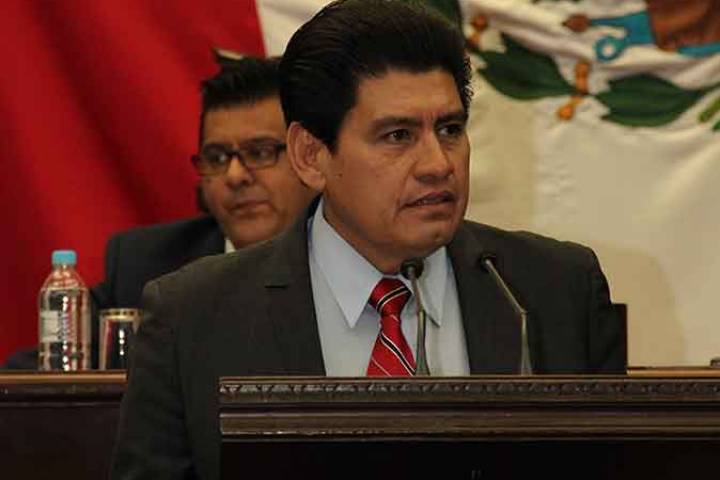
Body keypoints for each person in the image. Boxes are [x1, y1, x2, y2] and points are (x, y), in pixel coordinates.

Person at [112, 1, 625, 479]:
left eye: (450, 129)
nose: (438, 164)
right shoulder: (192, 317)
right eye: (398, 135)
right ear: (311, 156)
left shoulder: (554, 291)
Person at [3, 54, 316, 370]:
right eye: (217, 158)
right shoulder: (149, 266)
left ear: (308, 157)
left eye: (260, 152)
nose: (235, 176)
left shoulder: (337, 259)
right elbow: (32, 375)